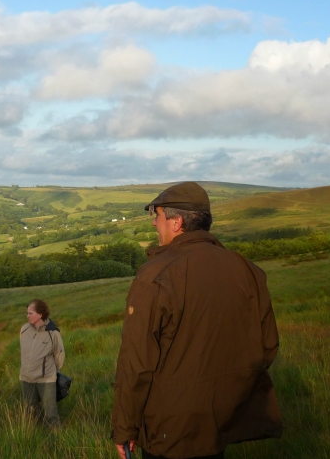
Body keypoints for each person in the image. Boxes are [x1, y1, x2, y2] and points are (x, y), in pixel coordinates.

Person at [111, 182, 282, 459]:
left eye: (158, 216)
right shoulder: (247, 270)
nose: (155, 224)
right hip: (222, 423)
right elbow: (267, 346)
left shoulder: (155, 276)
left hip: (169, 431)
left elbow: (136, 364)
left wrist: (124, 428)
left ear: (176, 222)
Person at [20, 299, 65, 427]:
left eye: (30, 313)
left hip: (45, 380)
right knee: (30, 411)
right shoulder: (24, 329)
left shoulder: (53, 333)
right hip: (26, 378)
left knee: (51, 413)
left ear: (40, 314)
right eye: (27, 313)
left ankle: (55, 440)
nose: (27, 316)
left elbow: (59, 355)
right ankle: (32, 435)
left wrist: (49, 371)